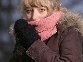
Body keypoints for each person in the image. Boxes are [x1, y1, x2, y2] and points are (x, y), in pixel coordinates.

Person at [9, 0, 83, 62]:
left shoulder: (68, 32)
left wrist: (34, 44)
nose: (34, 17)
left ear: (54, 10)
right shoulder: (26, 33)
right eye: (29, 10)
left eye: (41, 10)